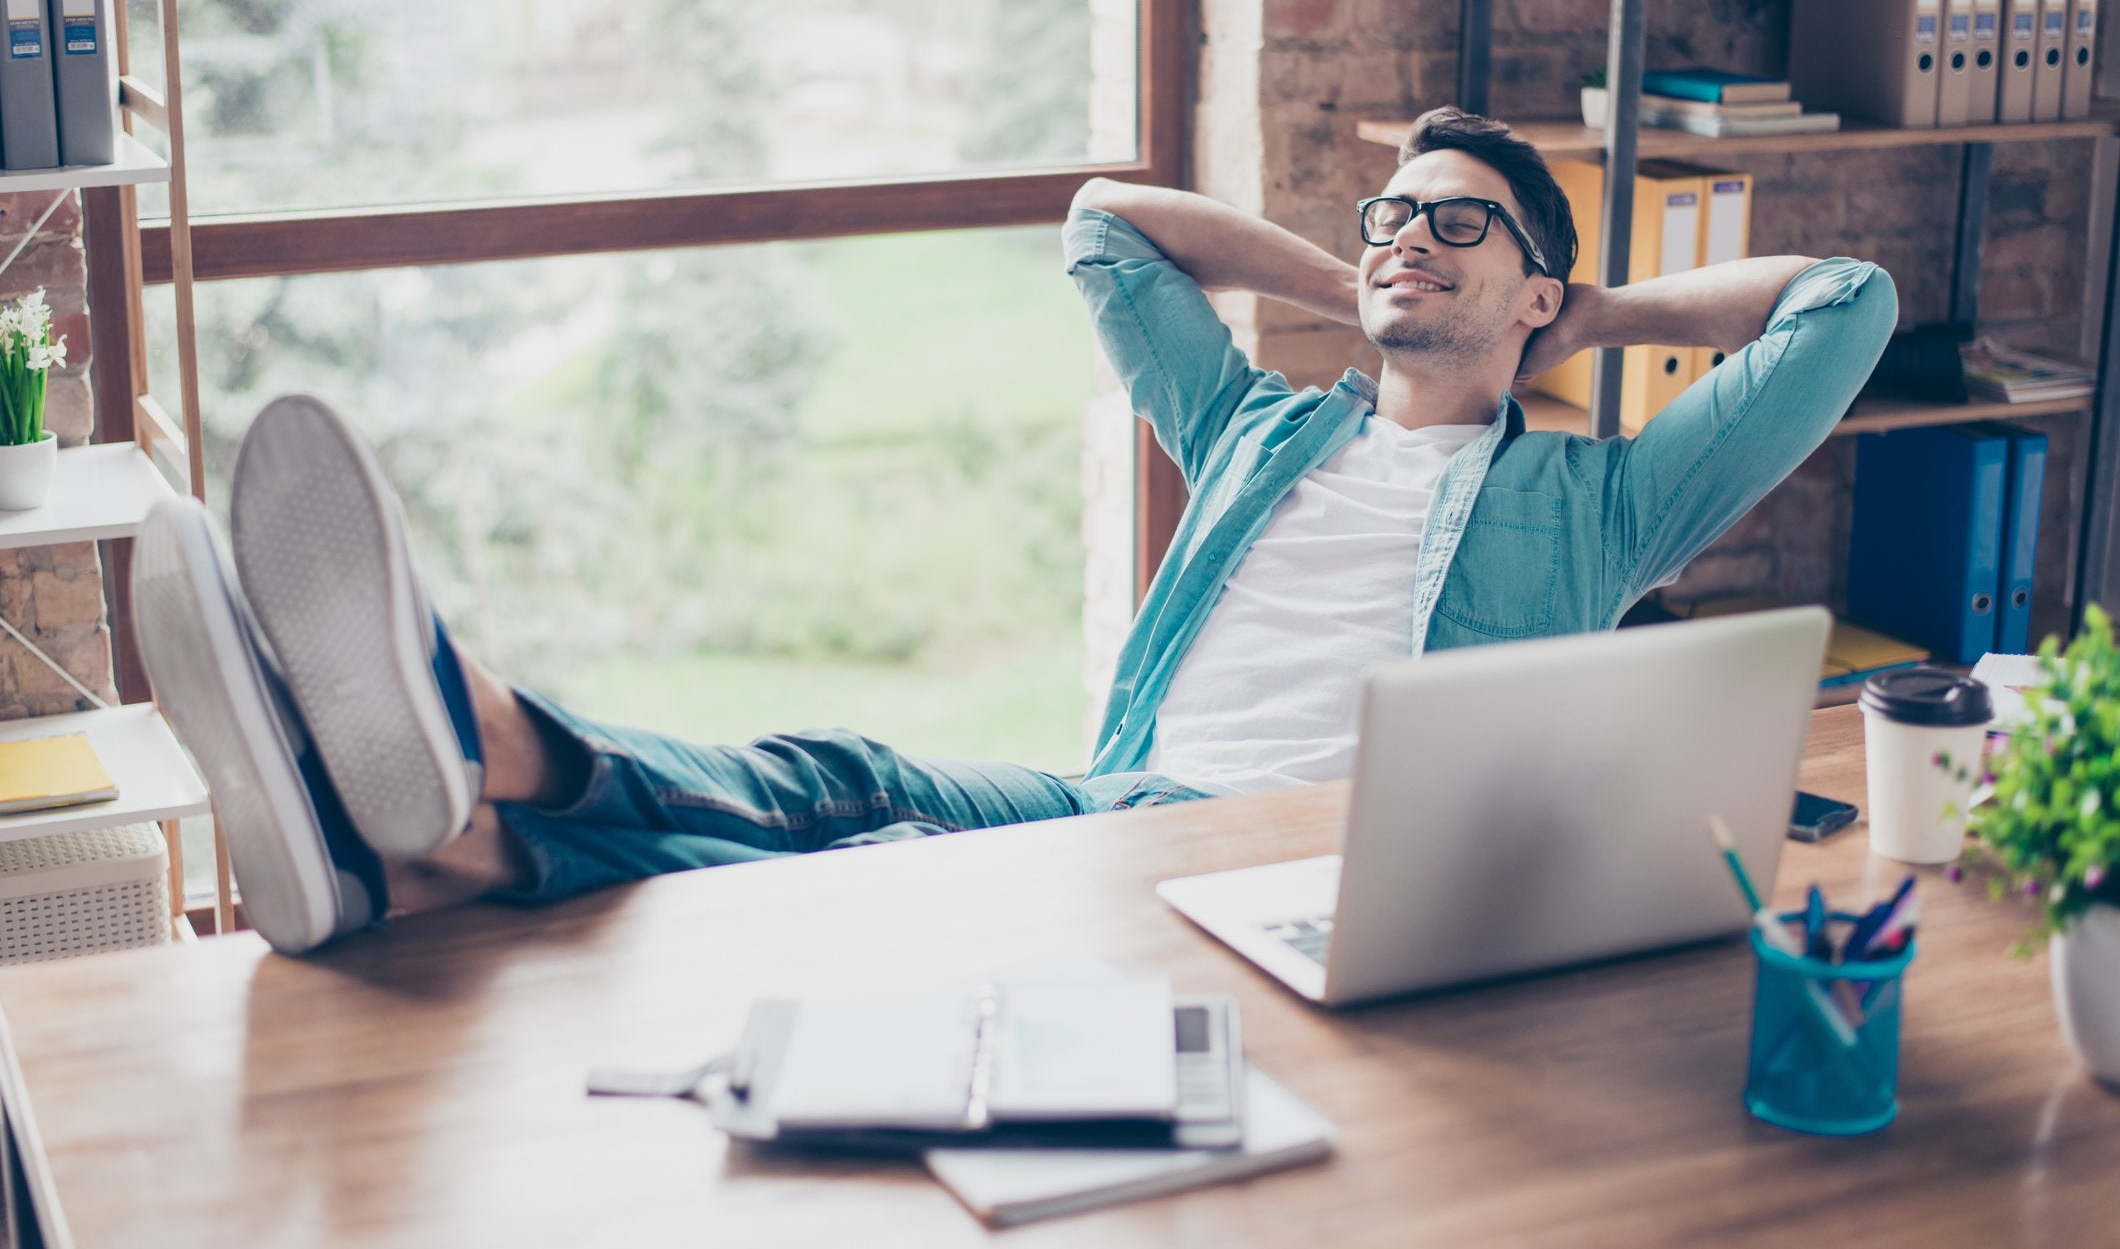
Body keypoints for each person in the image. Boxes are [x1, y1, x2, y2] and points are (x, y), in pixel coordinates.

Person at [133, 107, 1896, 954]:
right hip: (1128, 800)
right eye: (1390, 213)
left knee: (853, 806)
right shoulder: (1262, 426)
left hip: (1288, 863)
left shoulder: (1599, 501)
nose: (1406, 235)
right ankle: (432, 855)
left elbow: (1847, 302)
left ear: (1540, 286)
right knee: (842, 825)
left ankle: (462, 723)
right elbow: (1103, 225)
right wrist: (1351, 279)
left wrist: (1579, 328)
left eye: (1458, 221)